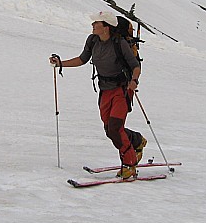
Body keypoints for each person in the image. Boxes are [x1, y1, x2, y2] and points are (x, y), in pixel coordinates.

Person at [49, 11, 147, 179]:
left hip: (121, 89)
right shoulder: (92, 40)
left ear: (106, 27)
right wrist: (60, 64)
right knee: (110, 130)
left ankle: (130, 164)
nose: (93, 25)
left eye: (97, 23)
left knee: (115, 128)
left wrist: (134, 81)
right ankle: (137, 141)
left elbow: (135, 66)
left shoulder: (119, 43)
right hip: (105, 90)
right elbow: (82, 59)